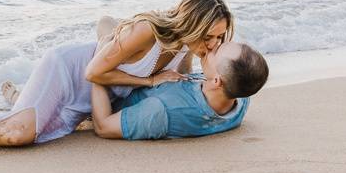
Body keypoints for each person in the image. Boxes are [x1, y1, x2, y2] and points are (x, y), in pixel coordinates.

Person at [0, 0, 233, 156]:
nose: (214, 43)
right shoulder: (149, 31)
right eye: (210, 36)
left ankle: (20, 99)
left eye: (219, 37)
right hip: (68, 72)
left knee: (43, 122)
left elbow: (182, 87)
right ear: (192, 24)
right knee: (19, 135)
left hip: (98, 97)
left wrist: (208, 66)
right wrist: (150, 80)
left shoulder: (188, 49)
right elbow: (92, 71)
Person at [90, 41, 268, 140]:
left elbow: (103, 127)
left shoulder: (162, 111)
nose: (212, 45)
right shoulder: (240, 96)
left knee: (106, 24)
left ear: (217, 80)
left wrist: (97, 69)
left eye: (216, 51)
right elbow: (185, 81)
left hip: (108, 91)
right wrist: (190, 43)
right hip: (146, 78)